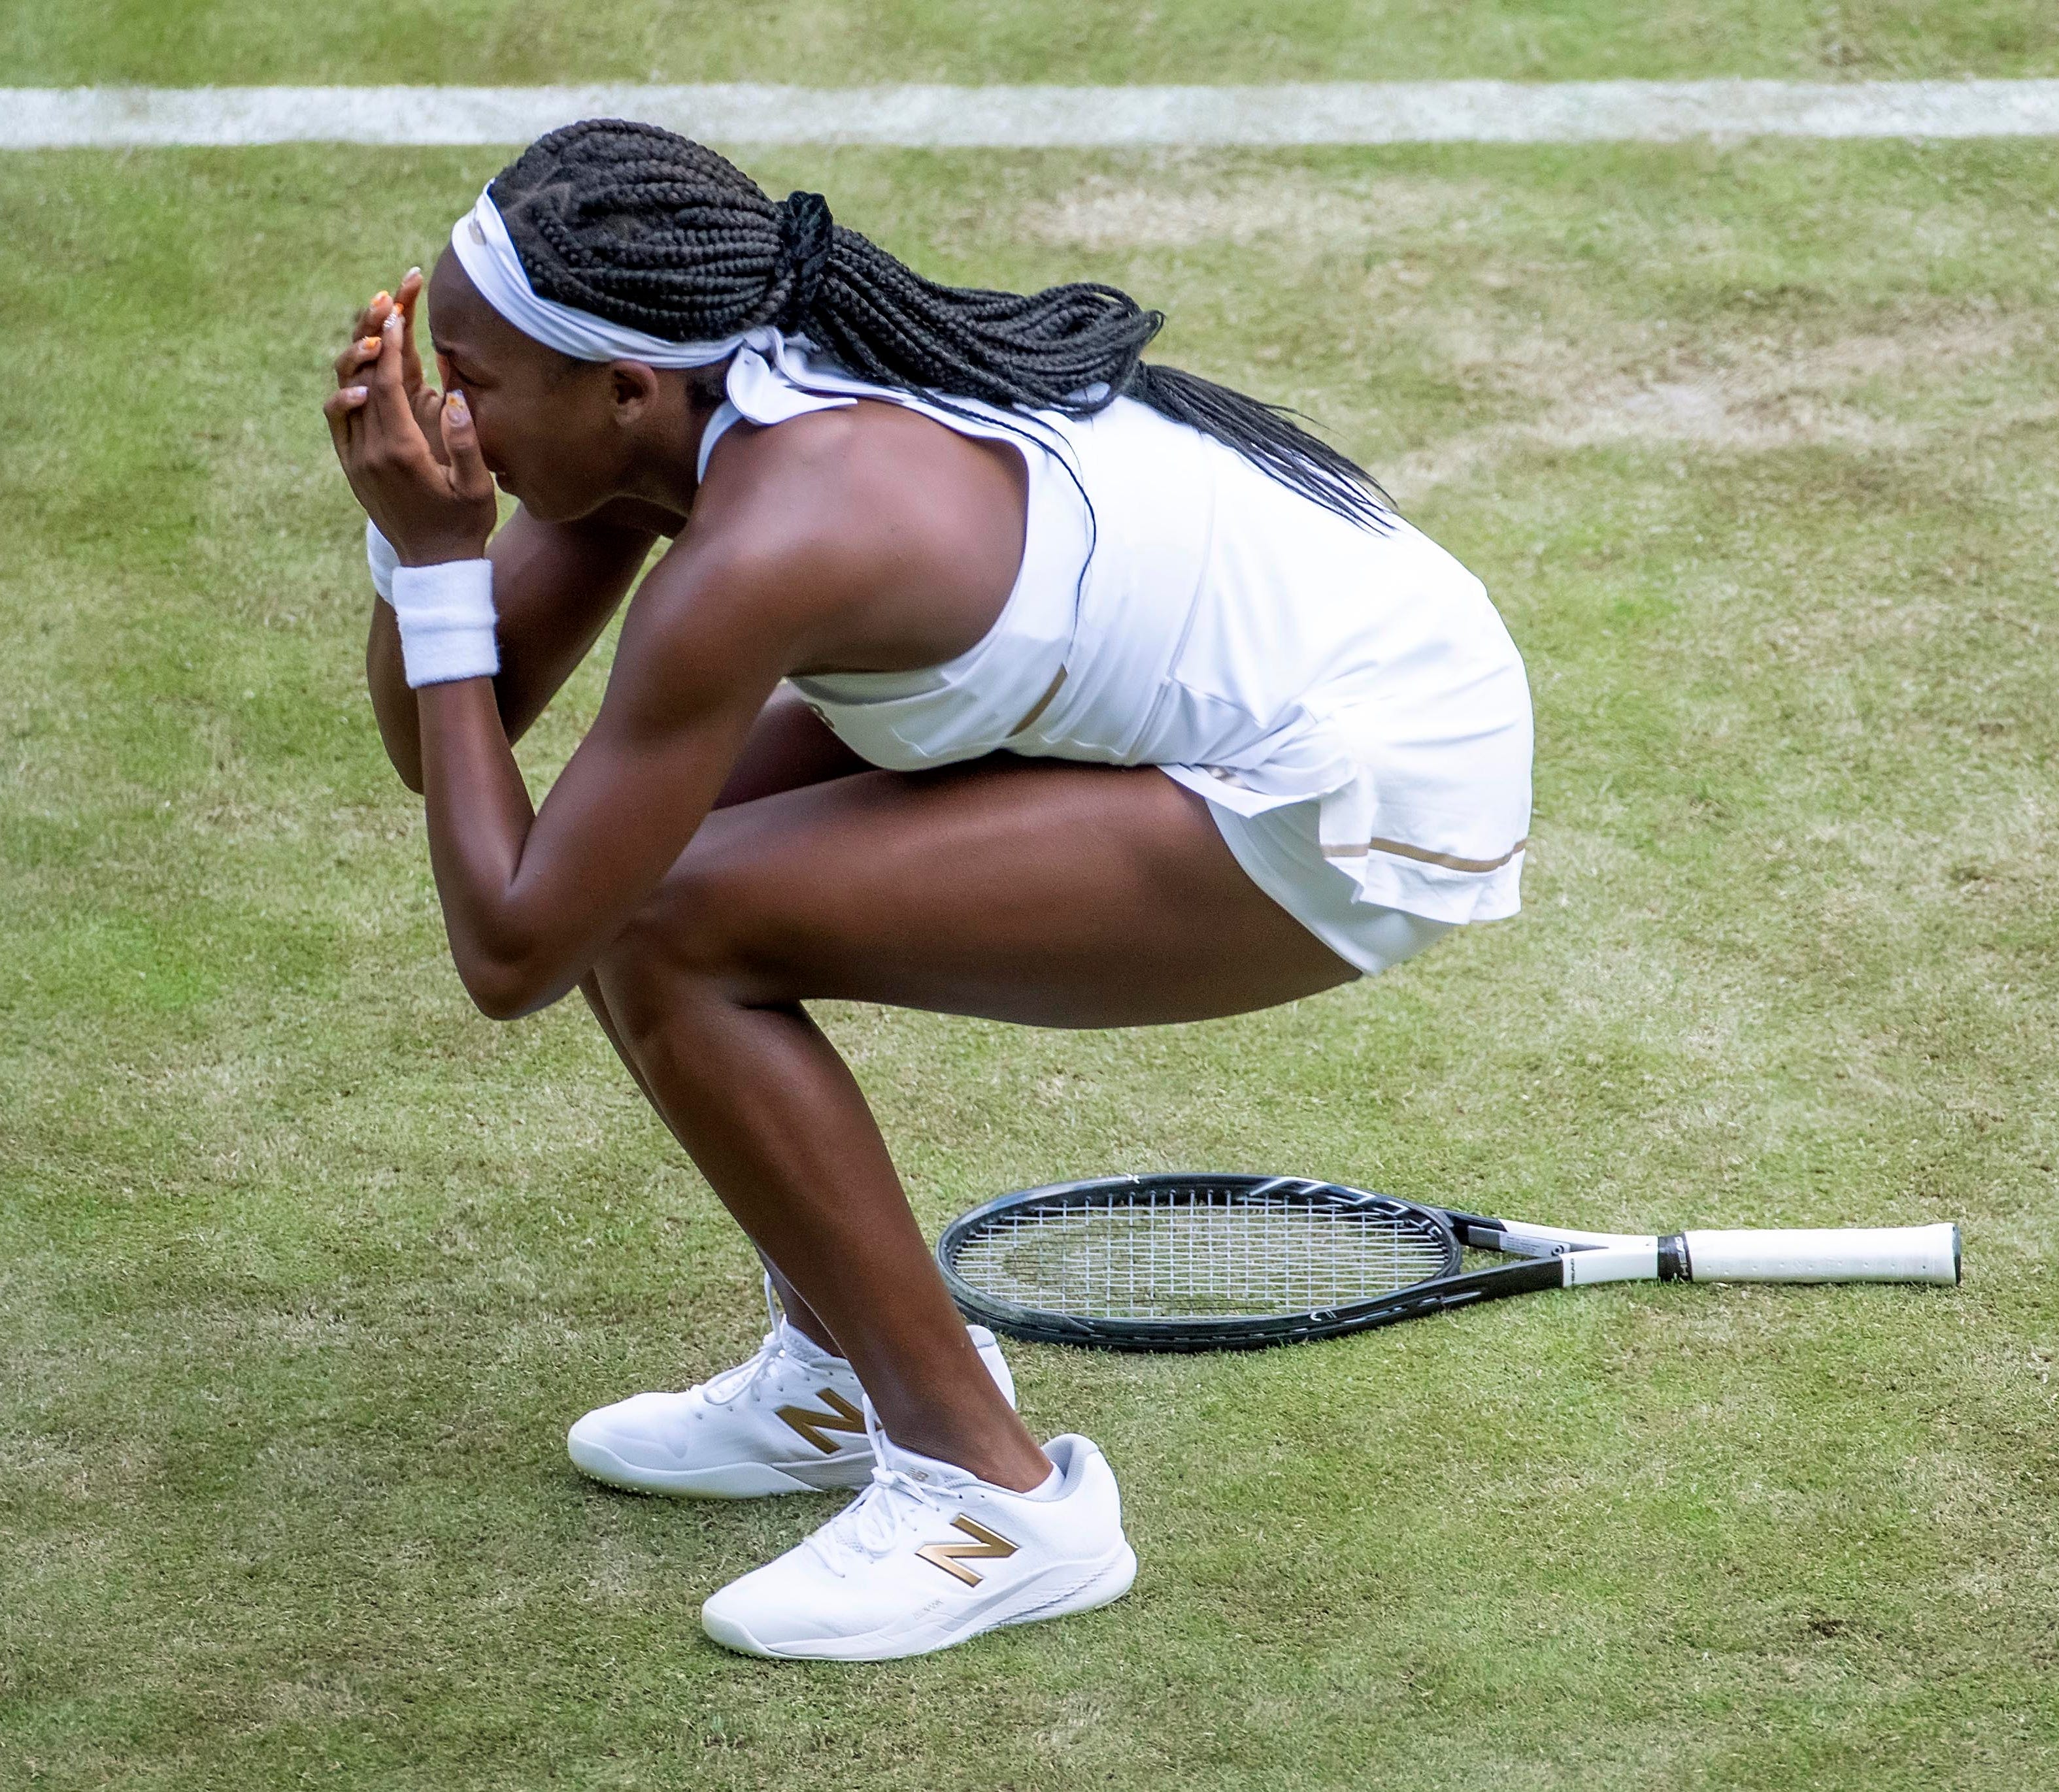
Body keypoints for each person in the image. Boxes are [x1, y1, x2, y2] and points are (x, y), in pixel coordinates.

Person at [324, 119, 1533, 1663]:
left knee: (661, 923)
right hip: (1237, 672)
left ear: (620, 387)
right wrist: (412, 540)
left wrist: (438, 564)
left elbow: (509, 944)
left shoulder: (788, 528)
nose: (455, 426)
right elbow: (463, 763)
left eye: (475, 387)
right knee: (622, 889)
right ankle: (842, 1374)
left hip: (1358, 780)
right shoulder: (685, 401)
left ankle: (994, 1495)